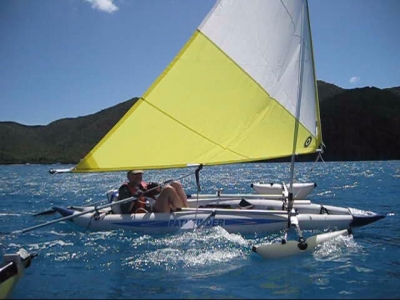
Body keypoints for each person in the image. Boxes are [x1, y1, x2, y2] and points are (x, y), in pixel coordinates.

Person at [117, 170, 189, 214]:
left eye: (140, 174)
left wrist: (157, 188)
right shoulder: (124, 189)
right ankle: (182, 212)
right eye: (135, 174)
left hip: (154, 205)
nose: (138, 176)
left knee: (175, 184)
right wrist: (134, 198)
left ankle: (186, 210)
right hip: (151, 211)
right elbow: (126, 210)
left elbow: (156, 193)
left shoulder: (143, 185)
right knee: (168, 190)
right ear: (128, 176)